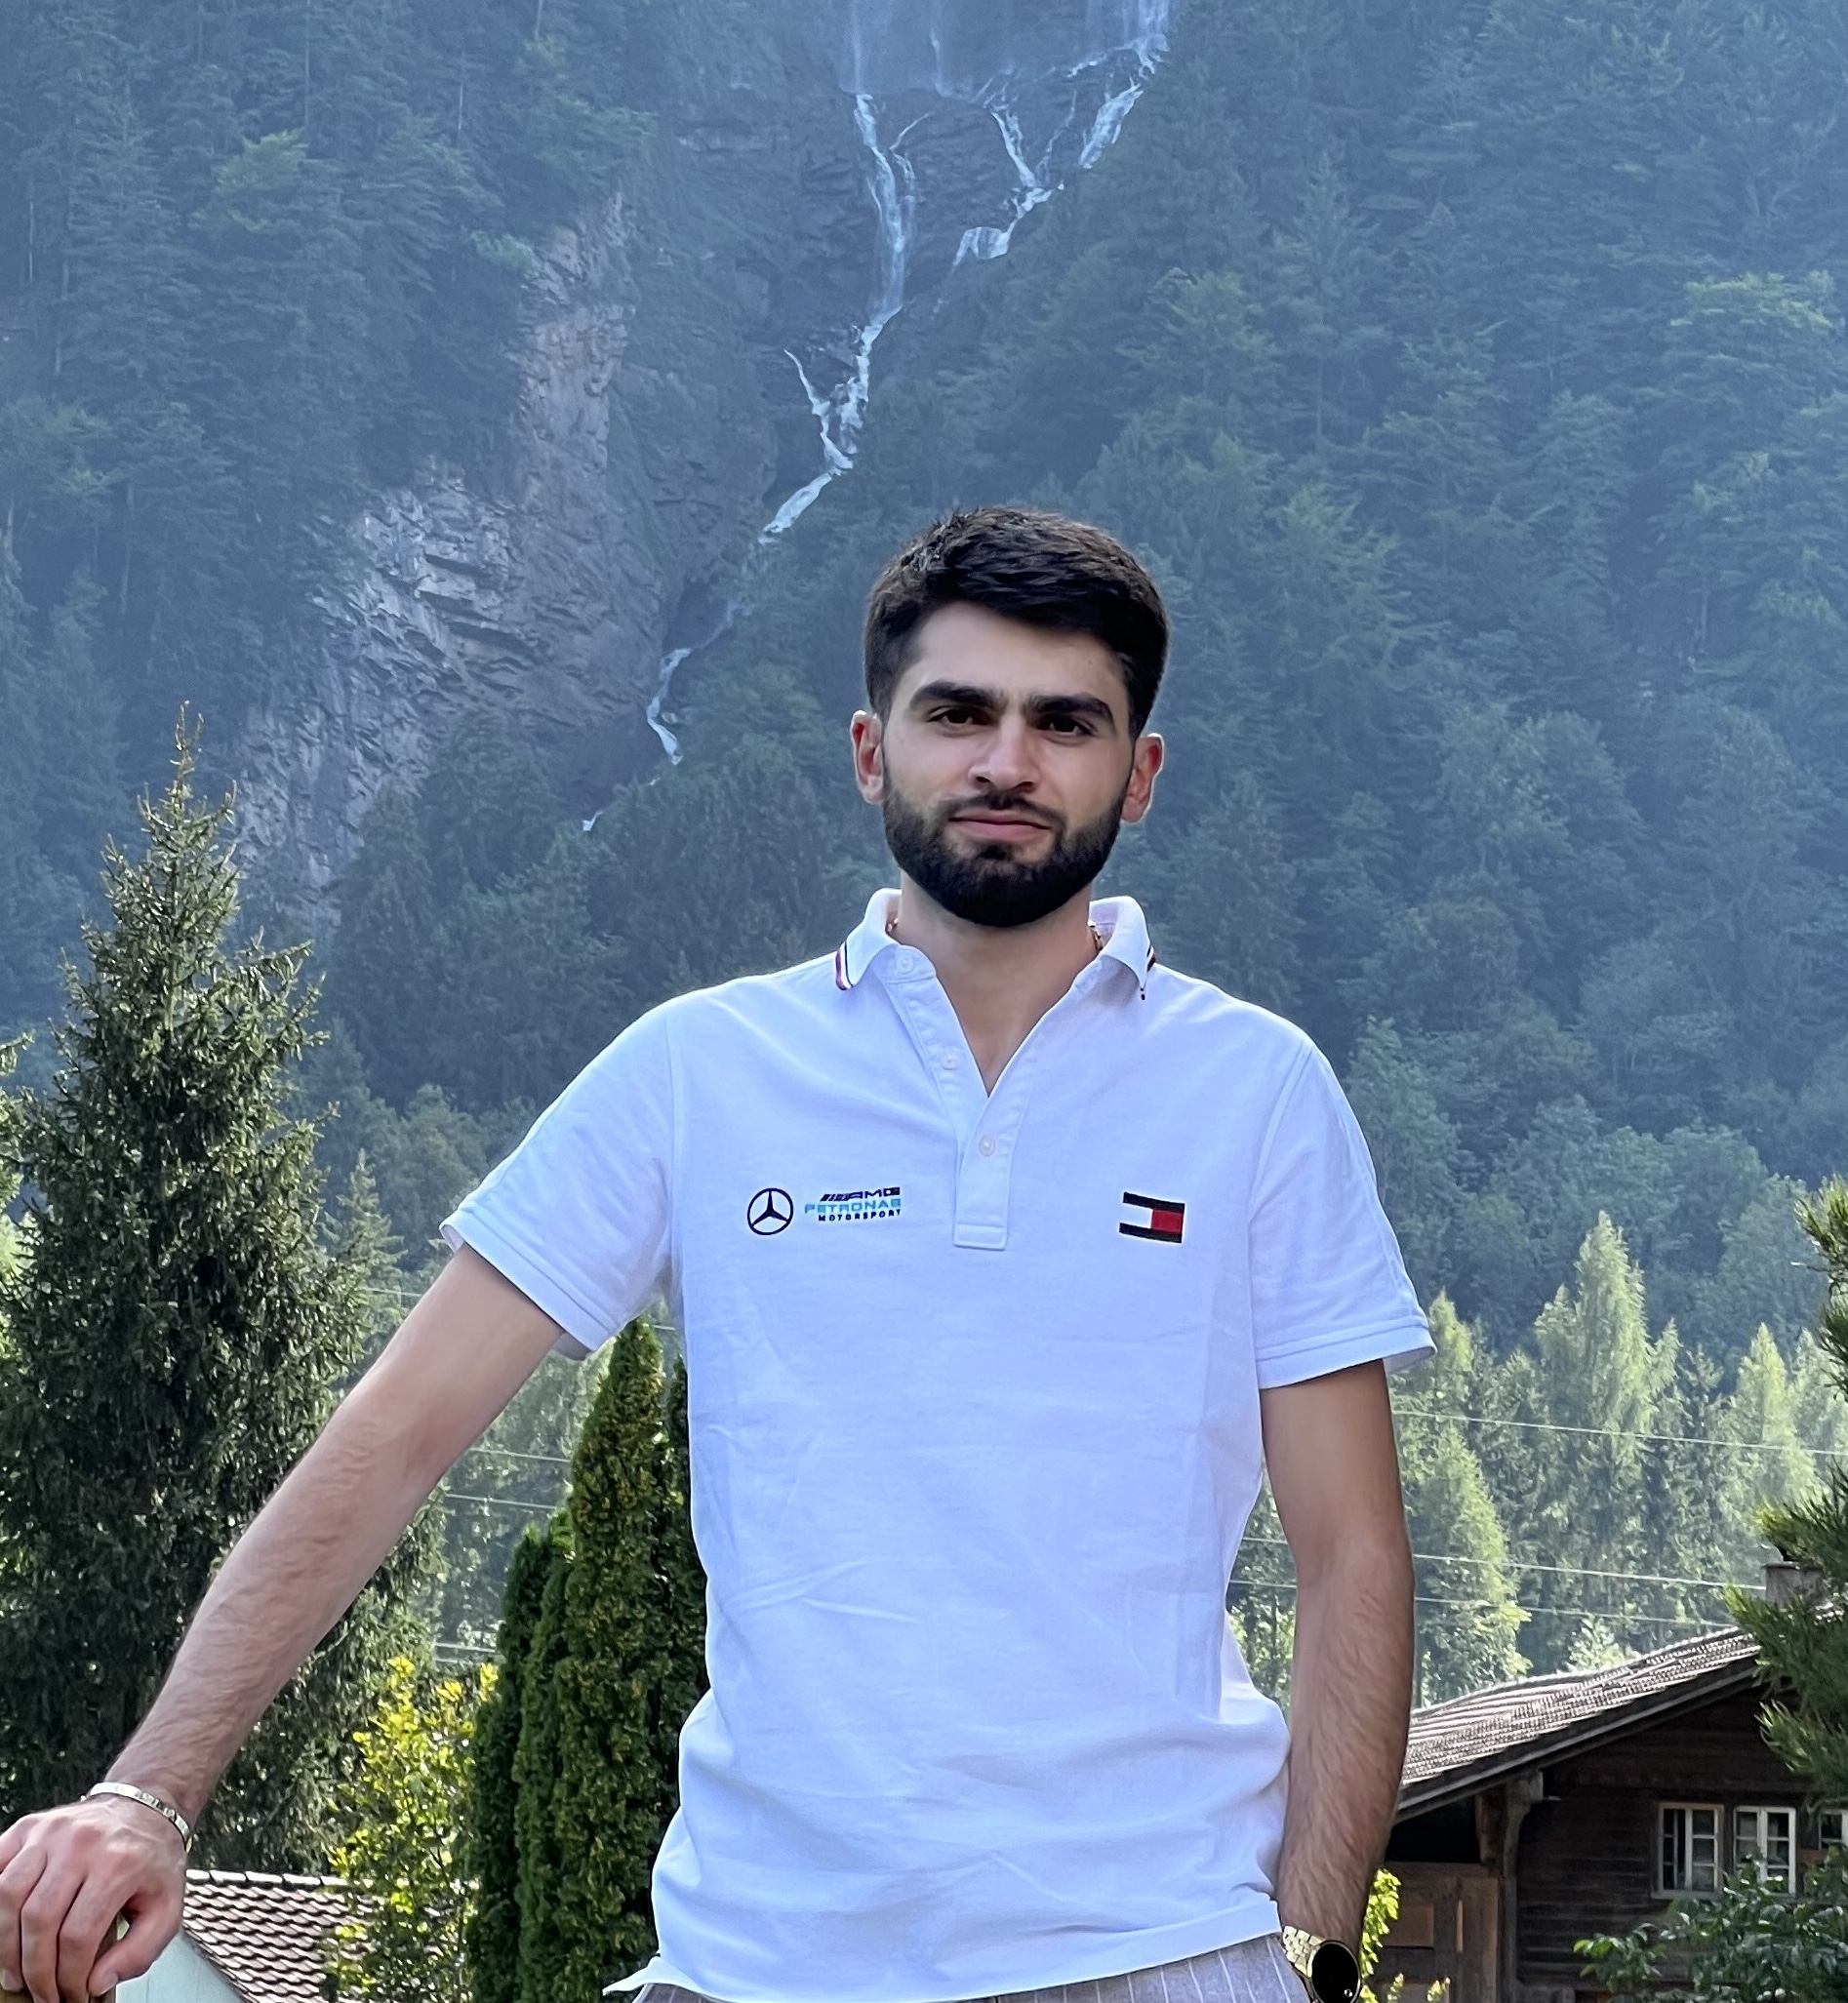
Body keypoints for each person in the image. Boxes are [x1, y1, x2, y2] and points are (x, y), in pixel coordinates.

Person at [0, 507, 1427, 2003]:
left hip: (1164, 1949)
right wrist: (149, 1791)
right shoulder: (698, 1072)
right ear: (871, 750)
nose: (1006, 761)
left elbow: (1352, 1556)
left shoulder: (1257, 1093)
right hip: (758, 1961)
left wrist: (1310, 1956)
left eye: (1063, 722)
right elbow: (396, 1430)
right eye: (957, 713)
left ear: (1137, 772)